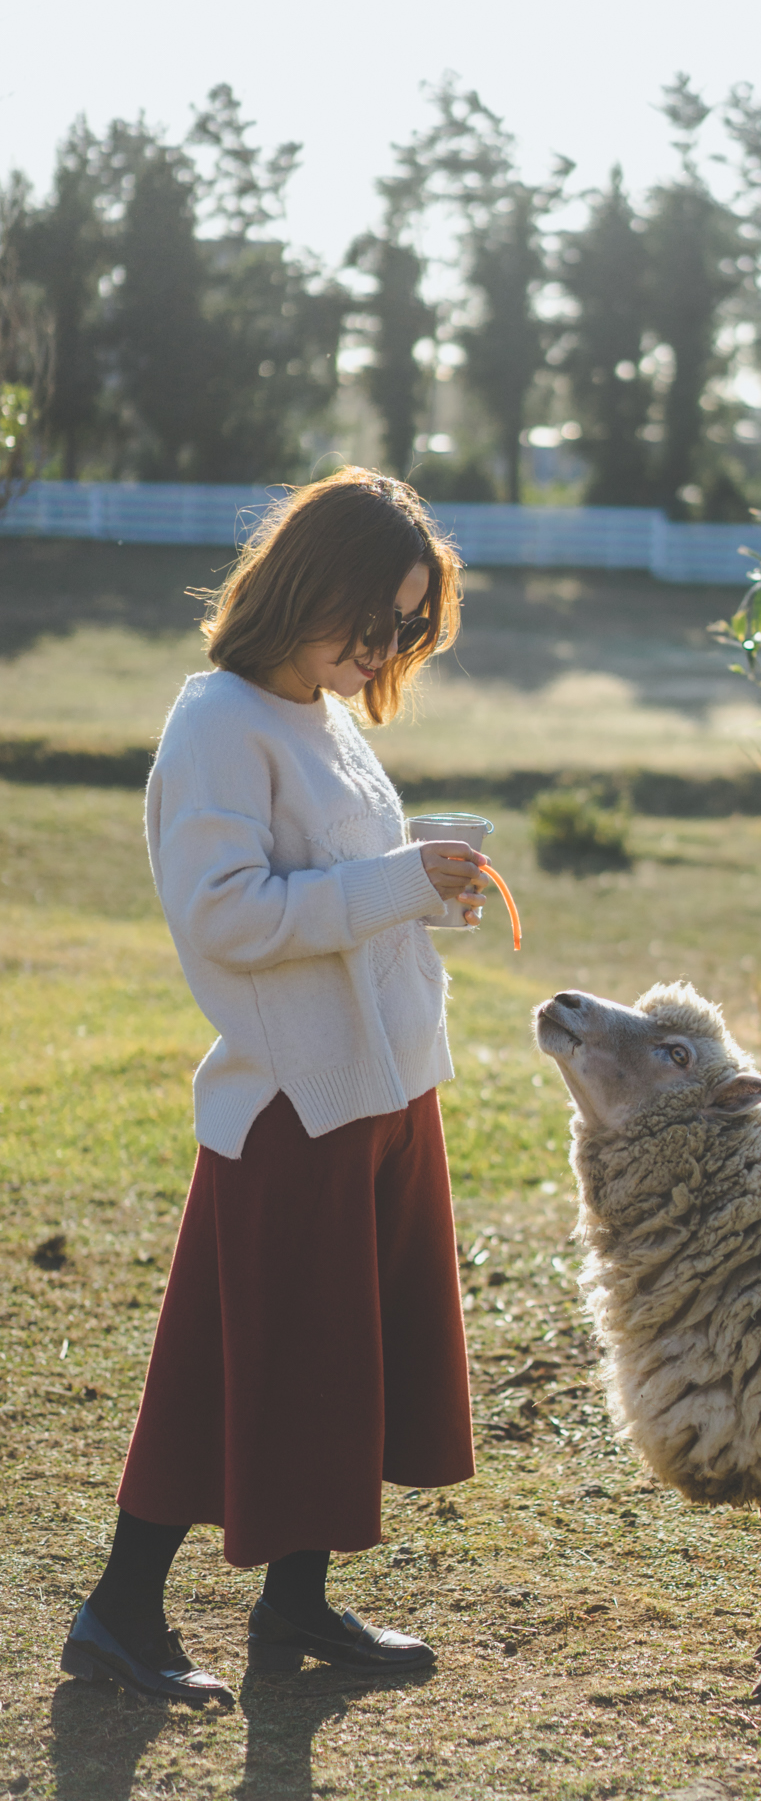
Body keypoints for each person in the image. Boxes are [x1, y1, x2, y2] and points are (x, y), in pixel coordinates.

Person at [61, 469, 490, 1707]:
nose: (387, 646)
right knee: (230, 1367)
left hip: (380, 1090)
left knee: (331, 1365)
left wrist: (421, 892)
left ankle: (295, 1604)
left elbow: (350, 899)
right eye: (377, 614)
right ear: (311, 583)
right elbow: (228, 917)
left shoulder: (325, 717)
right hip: (291, 1104)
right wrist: (400, 883)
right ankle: (119, 1611)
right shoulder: (217, 724)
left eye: (410, 623)